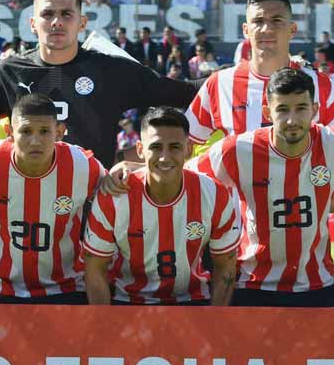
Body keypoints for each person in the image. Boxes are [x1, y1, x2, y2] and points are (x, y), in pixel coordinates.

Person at [0, 0, 203, 166]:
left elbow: (182, 92)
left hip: (92, 206)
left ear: (82, 22)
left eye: (66, 14)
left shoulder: (112, 71)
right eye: (47, 14)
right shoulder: (7, 74)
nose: (57, 22)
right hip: (30, 202)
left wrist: (237, 77)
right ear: (33, 24)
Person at [188, 68, 334, 307]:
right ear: (268, 112)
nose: (292, 120)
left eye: (301, 108)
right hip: (253, 285)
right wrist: (129, 170)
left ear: (315, 110)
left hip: (318, 285)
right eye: (282, 109)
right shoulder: (237, 150)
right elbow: (183, 175)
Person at [83, 107, 240, 306]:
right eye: (156, 147)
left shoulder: (214, 194)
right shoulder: (114, 197)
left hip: (192, 302)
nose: (165, 157)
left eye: (174, 147)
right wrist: (105, 328)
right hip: (128, 303)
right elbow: (95, 269)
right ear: (140, 150)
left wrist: (213, 323)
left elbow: (225, 269)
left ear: (188, 149)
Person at [0, 94, 104, 304]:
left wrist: (125, 169)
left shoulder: (82, 166)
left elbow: (116, 193)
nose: (35, 140)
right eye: (26, 131)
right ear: (9, 132)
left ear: (60, 133)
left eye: (45, 131)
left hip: (65, 288)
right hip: (0, 289)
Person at [186, 0, 334, 145]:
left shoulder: (320, 84)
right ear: (246, 30)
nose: (266, 29)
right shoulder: (220, 83)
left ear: (292, 29)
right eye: (258, 21)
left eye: (277, 21)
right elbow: (183, 143)